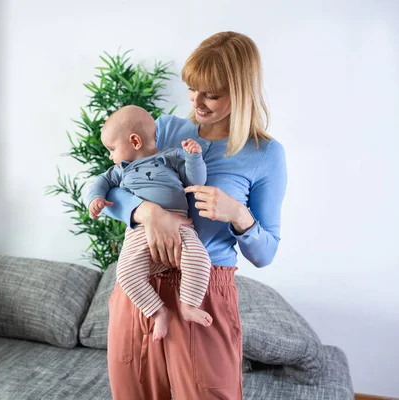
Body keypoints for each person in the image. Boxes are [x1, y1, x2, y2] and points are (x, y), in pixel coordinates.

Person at [103, 31, 287, 400]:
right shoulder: (168, 129)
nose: (196, 103)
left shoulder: (265, 154)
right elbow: (112, 187)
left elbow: (265, 254)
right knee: (133, 392)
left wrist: (239, 215)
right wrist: (146, 212)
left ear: (242, 92)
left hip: (204, 291)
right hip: (141, 285)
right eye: (192, 89)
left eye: (211, 94)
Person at [87, 105, 213, 344]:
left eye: (112, 149)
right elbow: (99, 184)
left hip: (180, 225)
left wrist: (194, 158)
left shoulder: (171, 157)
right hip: (139, 231)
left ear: (134, 141)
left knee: (199, 259)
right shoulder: (120, 170)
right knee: (125, 273)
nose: (111, 156)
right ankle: (158, 312)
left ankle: (188, 305)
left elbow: (196, 181)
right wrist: (96, 199)